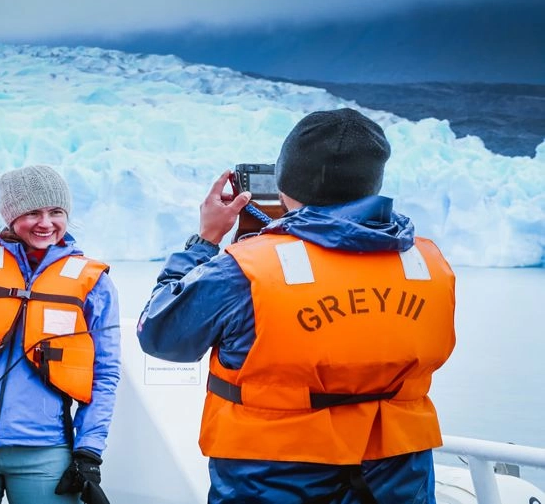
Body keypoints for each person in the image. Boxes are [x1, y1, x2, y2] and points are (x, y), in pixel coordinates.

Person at [137, 108, 457, 504]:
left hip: (272, 480)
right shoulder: (427, 263)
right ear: (372, 182)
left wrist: (205, 242)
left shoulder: (244, 270)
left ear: (286, 182)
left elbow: (161, 334)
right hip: (396, 480)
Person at [0, 165, 121, 504]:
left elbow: (105, 373)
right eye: (32, 212)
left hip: (45, 452)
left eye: (56, 212)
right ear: (11, 216)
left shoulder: (94, 282)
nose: (46, 223)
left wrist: (89, 449)